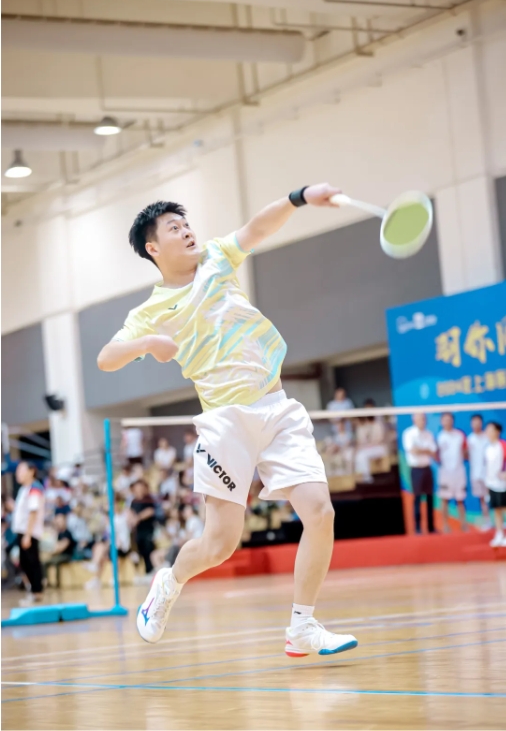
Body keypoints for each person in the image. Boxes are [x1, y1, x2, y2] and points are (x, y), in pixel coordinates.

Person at [97, 184, 357, 657]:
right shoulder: (150, 311)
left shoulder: (217, 258)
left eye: (186, 223)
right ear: (153, 248)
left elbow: (257, 228)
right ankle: (169, 582)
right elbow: (106, 359)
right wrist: (146, 344)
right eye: (174, 228)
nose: (187, 231)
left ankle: (302, 626)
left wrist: (300, 197)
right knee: (219, 545)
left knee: (320, 513)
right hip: (225, 422)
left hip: (276, 406)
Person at [11, 462, 45, 606]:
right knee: (24, 562)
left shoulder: (34, 488)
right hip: (22, 531)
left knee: (32, 562)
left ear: (31, 471)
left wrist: (28, 535)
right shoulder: (23, 489)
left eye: (21, 470)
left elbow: (33, 512)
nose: (18, 473)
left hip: (30, 532)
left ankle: (37, 592)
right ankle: (33, 591)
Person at [402, 413, 437, 534]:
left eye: (424, 419)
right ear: (414, 420)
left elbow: (433, 451)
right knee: (417, 498)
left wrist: (422, 450)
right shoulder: (409, 433)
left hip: (427, 468)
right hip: (416, 469)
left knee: (430, 498)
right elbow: (412, 450)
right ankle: (417, 528)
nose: (422, 421)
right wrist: (426, 450)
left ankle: (431, 527)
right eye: (420, 419)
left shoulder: (428, 434)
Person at [436, 413, 468, 533]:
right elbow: (436, 454)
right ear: (441, 422)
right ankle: (445, 525)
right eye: (445, 420)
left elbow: (465, 452)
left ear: (453, 421)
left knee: (460, 499)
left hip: (459, 471)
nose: (447, 422)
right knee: (445, 499)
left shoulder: (459, 435)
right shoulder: (439, 437)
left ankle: (463, 524)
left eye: (449, 419)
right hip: (445, 473)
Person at [483, 422, 506, 548]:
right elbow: (488, 468)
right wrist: (487, 485)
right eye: (487, 430)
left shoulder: (503, 445)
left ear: (497, 431)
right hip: (492, 484)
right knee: (497, 510)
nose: (488, 432)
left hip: (503, 484)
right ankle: (499, 534)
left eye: (490, 430)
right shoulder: (488, 448)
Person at [467, 414, 491, 529]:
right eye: (474, 422)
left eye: (478, 422)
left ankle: (501, 520)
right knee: (482, 499)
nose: (476, 424)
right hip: (476, 474)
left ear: (481, 423)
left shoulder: (487, 437)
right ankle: (488, 521)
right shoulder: (469, 439)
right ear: (471, 424)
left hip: (489, 474)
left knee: (496, 497)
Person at [129, 479, 156, 577]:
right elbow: (131, 512)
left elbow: (150, 511)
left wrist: (138, 518)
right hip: (137, 531)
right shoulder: (134, 501)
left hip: (147, 530)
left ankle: (150, 571)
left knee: (148, 549)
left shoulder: (148, 499)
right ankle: (140, 573)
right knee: (138, 551)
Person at [45, 513, 76, 588]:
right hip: (59, 555)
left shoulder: (68, 533)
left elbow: (62, 546)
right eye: (58, 522)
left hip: (67, 555)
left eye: (60, 521)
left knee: (56, 561)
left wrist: (55, 551)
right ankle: (46, 581)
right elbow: (57, 545)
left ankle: (57, 583)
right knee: (45, 562)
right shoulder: (59, 534)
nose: (59, 523)